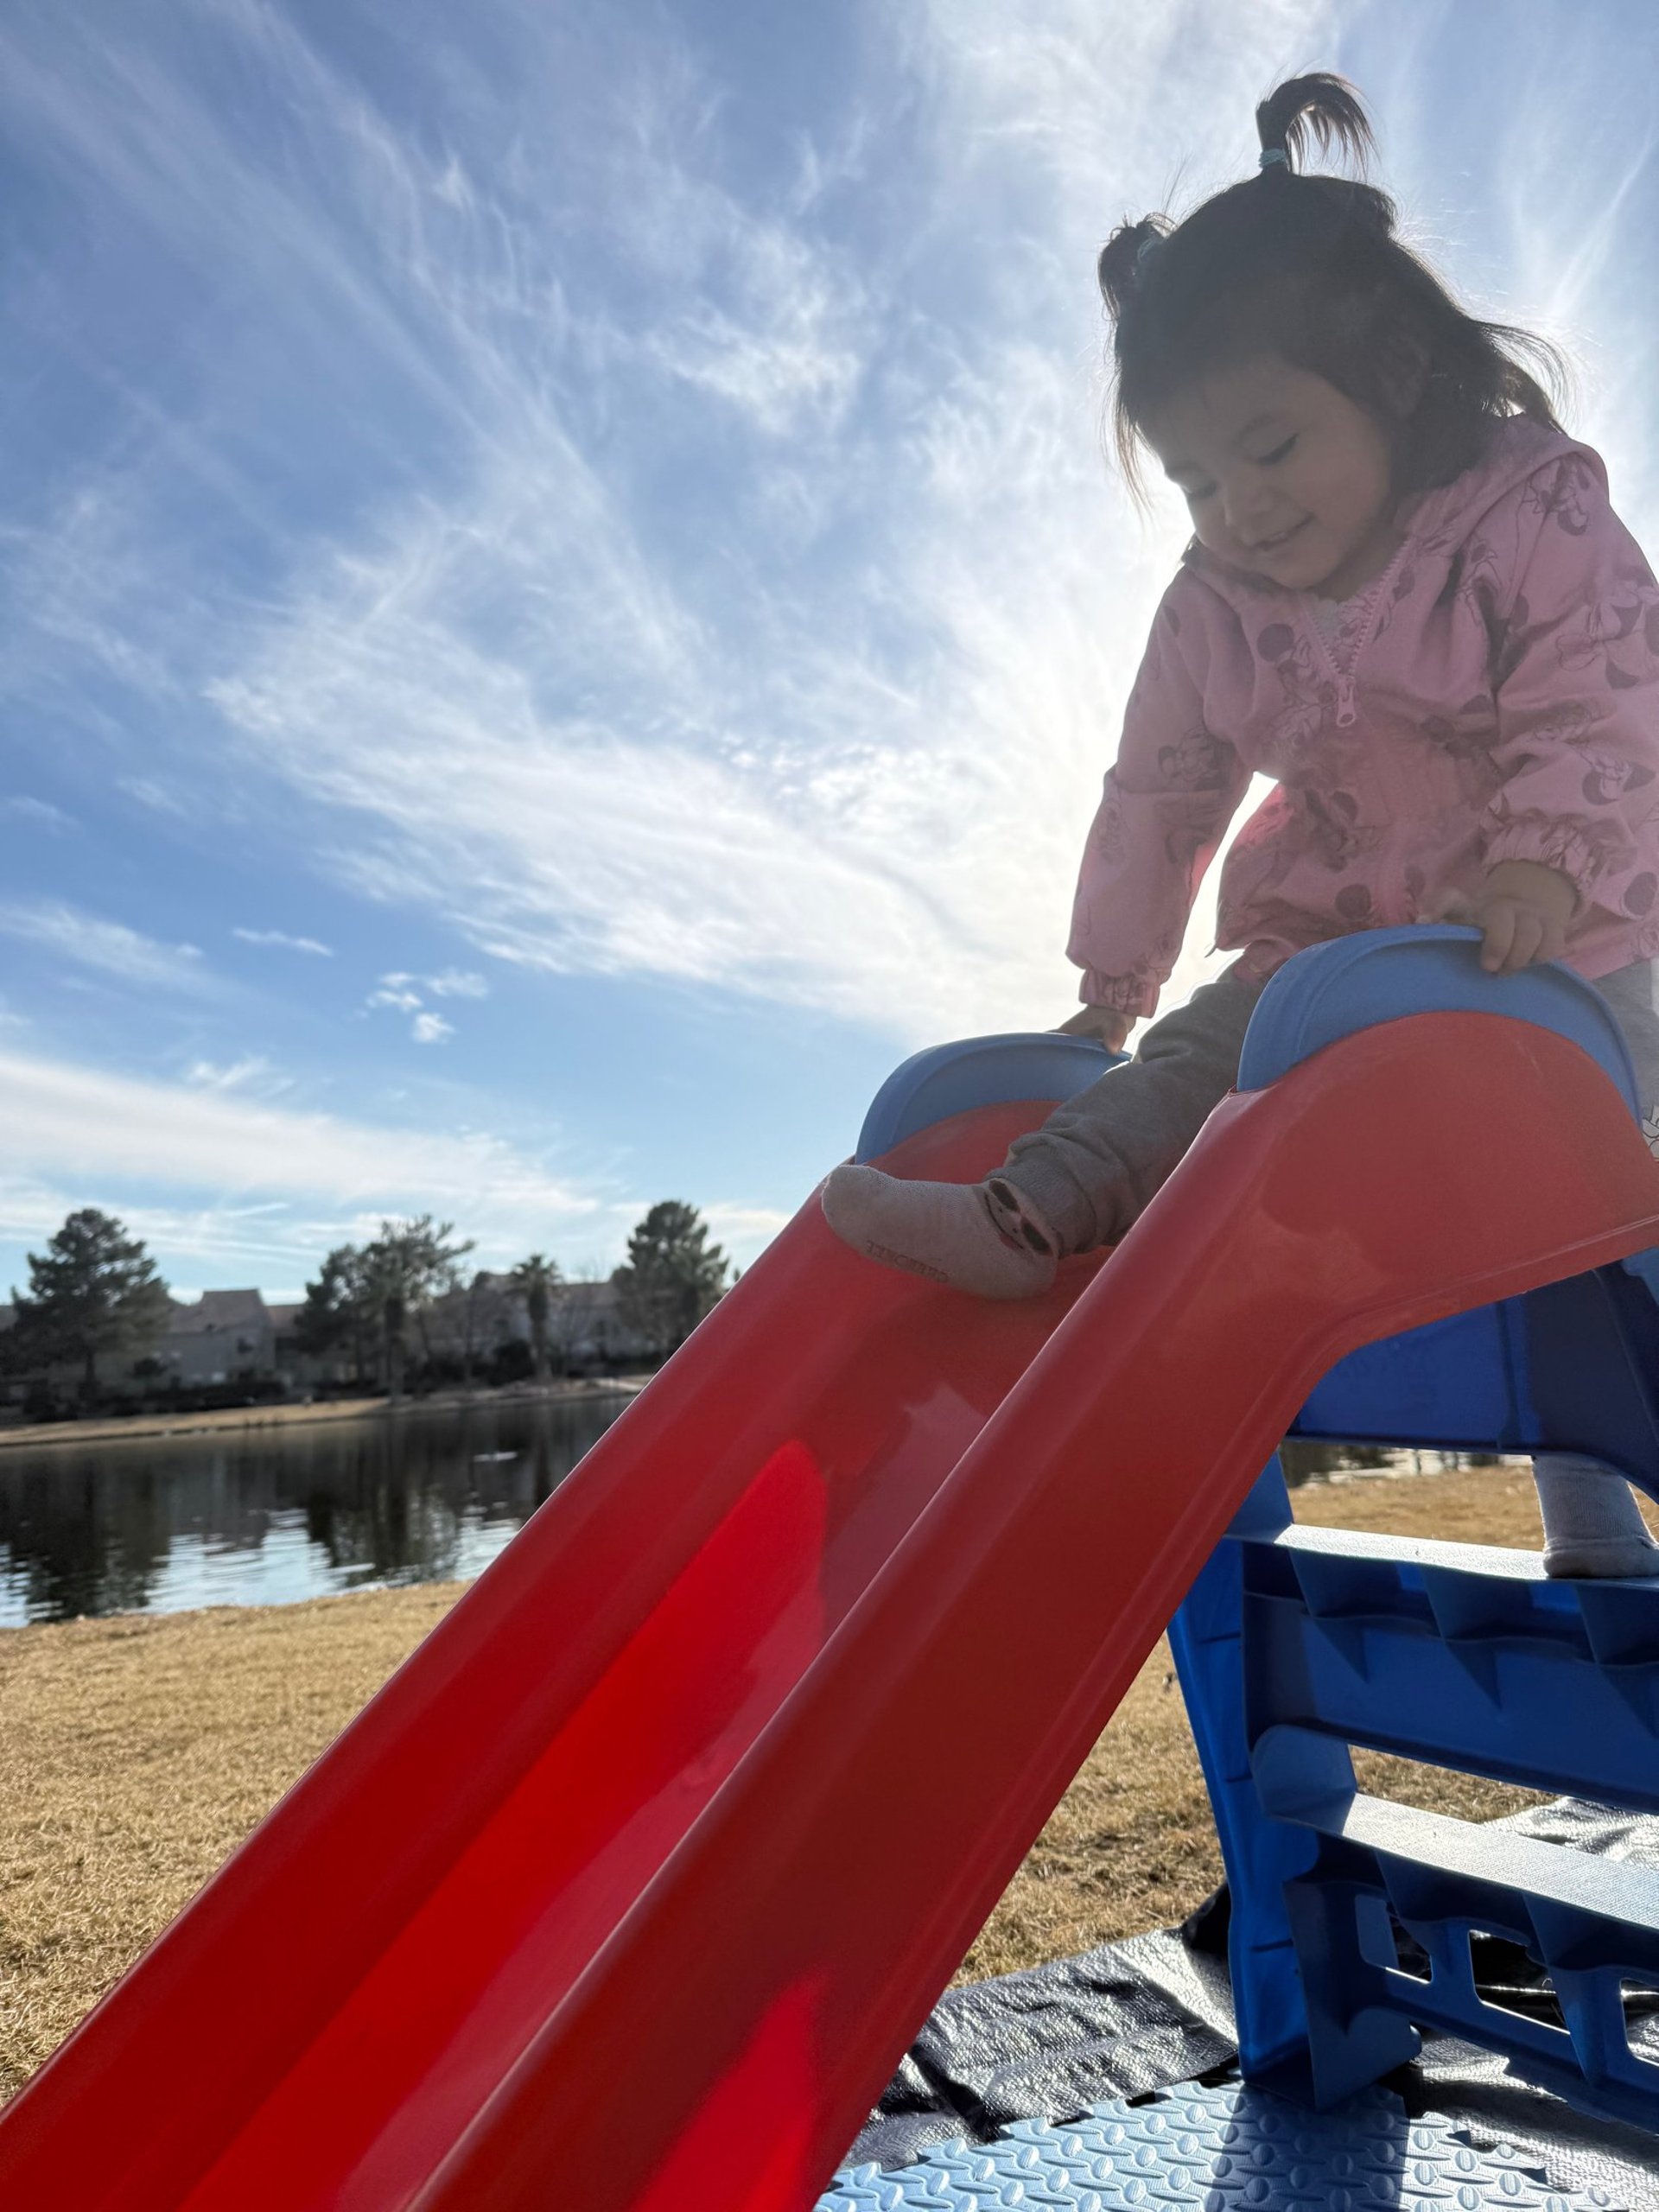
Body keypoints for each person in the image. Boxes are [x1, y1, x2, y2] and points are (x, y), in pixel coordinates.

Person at [823, 73, 1659, 1578]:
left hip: (1560, 952)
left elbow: (1605, 684)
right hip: (1336, 952)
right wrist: (1114, 974)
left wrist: (1553, 855)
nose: (1243, 507)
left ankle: (1595, 1507)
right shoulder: (1216, 606)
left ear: (1397, 379)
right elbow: (1162, 784)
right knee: (1200, 1060)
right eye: (1201, 479)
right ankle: (1032, 1219)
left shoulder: (1525, 510)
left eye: (1273, 449)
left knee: (1574, 1222)